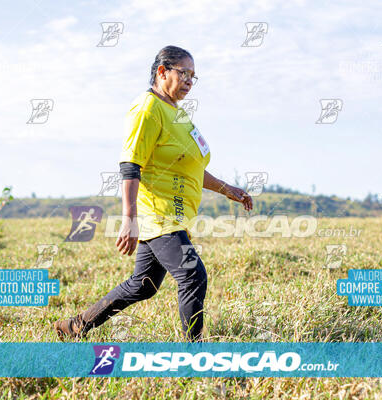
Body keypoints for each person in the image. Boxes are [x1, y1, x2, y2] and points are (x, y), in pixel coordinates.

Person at [54, 45, 252, 342]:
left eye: (193, 76)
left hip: (173, 214)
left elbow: (192, 167)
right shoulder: (148, 109)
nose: (189, 81)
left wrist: (227, 190)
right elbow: (131, 164)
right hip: (158, 214)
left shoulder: (179, 114)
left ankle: (74, 326)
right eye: (184, 73)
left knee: (143, 284)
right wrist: (129, 219)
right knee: (192, 275)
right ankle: (194, 354)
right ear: (162, 71)